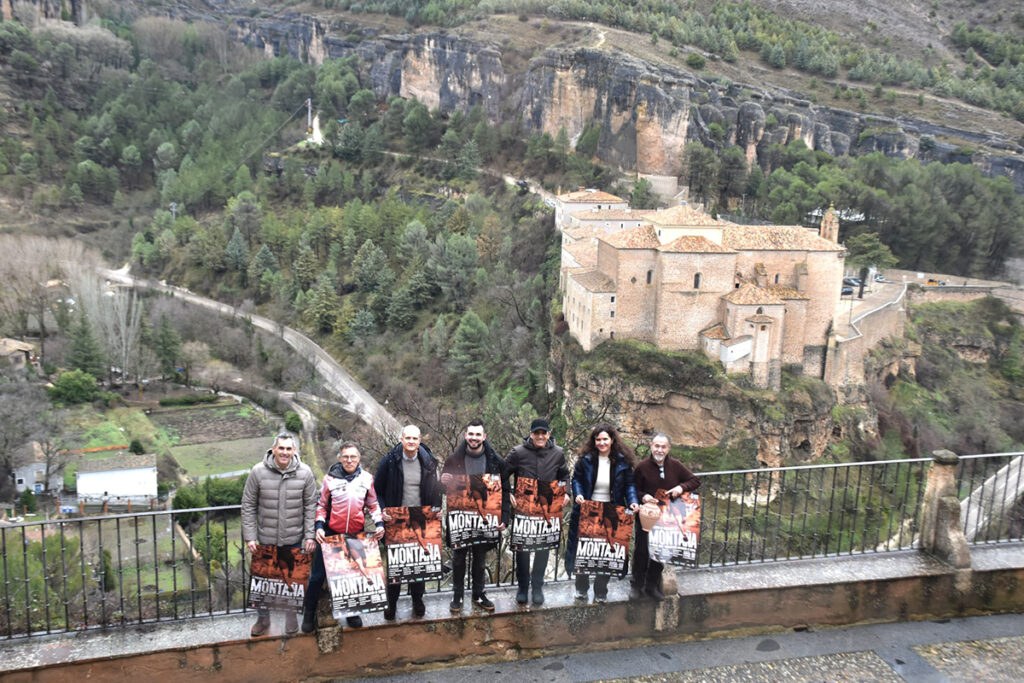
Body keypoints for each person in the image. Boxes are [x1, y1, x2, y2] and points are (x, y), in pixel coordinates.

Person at [302, 441, 384, 633]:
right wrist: (319, 527)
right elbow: (321, 505)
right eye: (345, 456)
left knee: (352, 575)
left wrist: (379, 523)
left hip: (355, 534)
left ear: (359, 459)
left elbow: (373, 504)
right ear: (340, 458)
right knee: (318, 577)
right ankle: (309, 612)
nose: (349, 460)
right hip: (331, 534)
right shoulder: (330, 479)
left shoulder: (367, 479)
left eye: (353, 457)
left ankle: (352, 612)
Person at [241, 432, 317, 636]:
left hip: (293, 538)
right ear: (273, 449)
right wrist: (250, 536)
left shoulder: (305, 472)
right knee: (263, 582)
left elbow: (311, 505)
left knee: (292, 580)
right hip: (265, 538)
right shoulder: (258, 472)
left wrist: (309, 535)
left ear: (294, 451)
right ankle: (263, 619)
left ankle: (291, 616)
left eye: (288, 448)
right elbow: (248, 505)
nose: (284, 452)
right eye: (281, 448)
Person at [440, 419, 511, 613]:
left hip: (485, 518)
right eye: (471, 434)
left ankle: (479, 594)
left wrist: (504, 517)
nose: (474, 438)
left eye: (478, 434)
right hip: (460, 519)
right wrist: (442, 482)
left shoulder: (496, 461)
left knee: (480, 559)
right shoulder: (453, 460)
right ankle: (458, 595)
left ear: (484, 437)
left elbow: (505, 490)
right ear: (465, 436)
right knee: (458, 559)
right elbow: (444, 490)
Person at [565, 423, 639, 603]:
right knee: (584, 551)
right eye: (598, 439)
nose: (601, 443)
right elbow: (576, 480)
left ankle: (600, 590)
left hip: (612, 511)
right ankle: (581, 589)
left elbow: (629, 485)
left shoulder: (623, 462)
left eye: (605, 439)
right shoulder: (586, 460)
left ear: (612, 440)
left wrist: (633, 501)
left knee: (605, 554)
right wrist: (579, 494)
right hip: (587, 511)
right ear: (594, 441)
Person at [375, 424, 441, 620]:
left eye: (415, 438)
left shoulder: (429, 462)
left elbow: (436, 489)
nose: (411, 442)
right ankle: (392, 603)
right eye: (408, 438)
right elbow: (377, 491)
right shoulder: (389, 462)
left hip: (421, 520)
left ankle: (417, 600)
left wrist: (437, 508)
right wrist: (382, 510)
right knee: (396, 564)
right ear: (401, 440)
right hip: (397, 522)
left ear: (419, 441)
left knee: (418, 564)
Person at [504, 417, 569, 606]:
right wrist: (508, 492)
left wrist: (566, 493)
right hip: (524, 510)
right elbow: (501, 473)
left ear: (548, 434)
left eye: (544, 433)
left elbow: (564, 475)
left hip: (547, 510)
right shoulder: (518, 452)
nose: (540, 436)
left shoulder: (558, 453)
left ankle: (538, 586)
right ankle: (523, 587)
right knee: (522, 549)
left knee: (543, 548)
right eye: (536, 433)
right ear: (531, 434)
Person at [632, 432, 700, 601]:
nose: (659, 450)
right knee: (641, 550)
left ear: (668, 449)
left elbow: (695, 481)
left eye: (663, 447)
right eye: (657, 446)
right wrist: (644, 497)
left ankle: (651, 586)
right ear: (651, 446)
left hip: (667, 517)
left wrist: (681, 487)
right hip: (647, 515)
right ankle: (636, 585)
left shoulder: (676, 466)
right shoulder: (641, 467)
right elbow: (633, 489)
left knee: (661, 550)